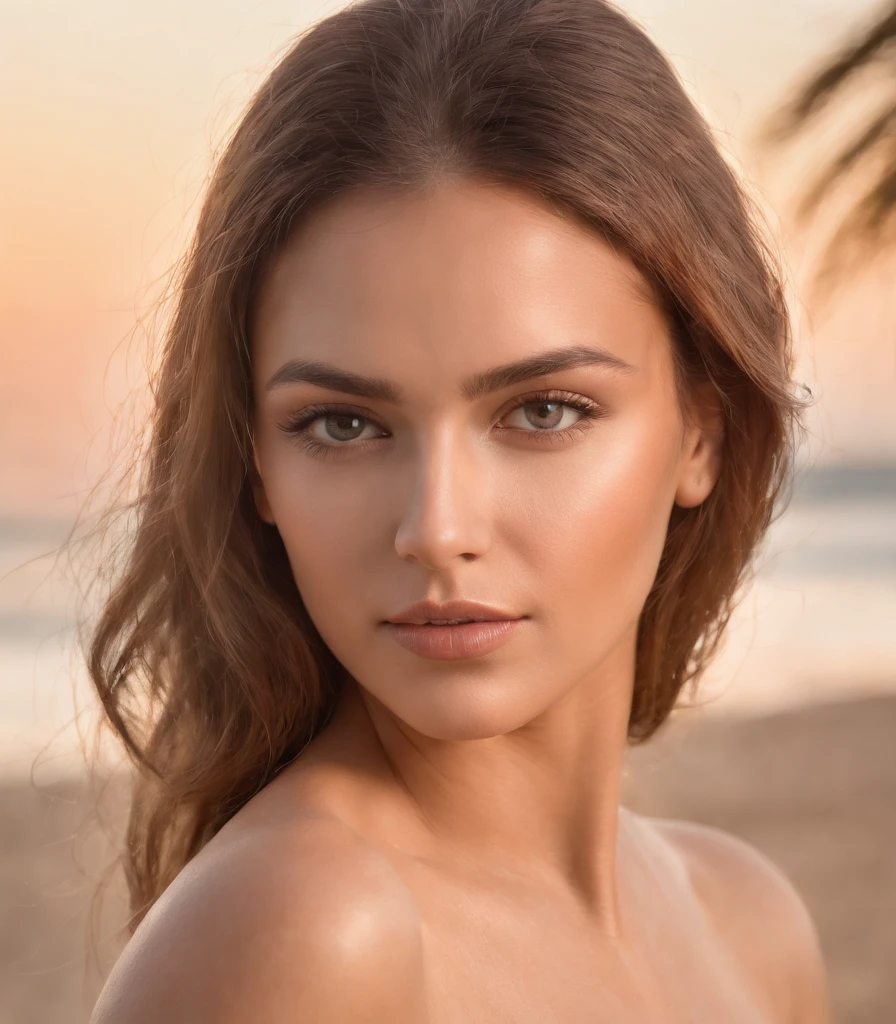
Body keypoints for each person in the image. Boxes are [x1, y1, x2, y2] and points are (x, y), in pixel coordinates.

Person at [86, 0, 828, 1020]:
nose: (436, 529)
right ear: (254, 459)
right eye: (343, 424)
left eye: (543, 410)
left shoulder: (750, 926)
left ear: (702, 429)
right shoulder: (304, 931)